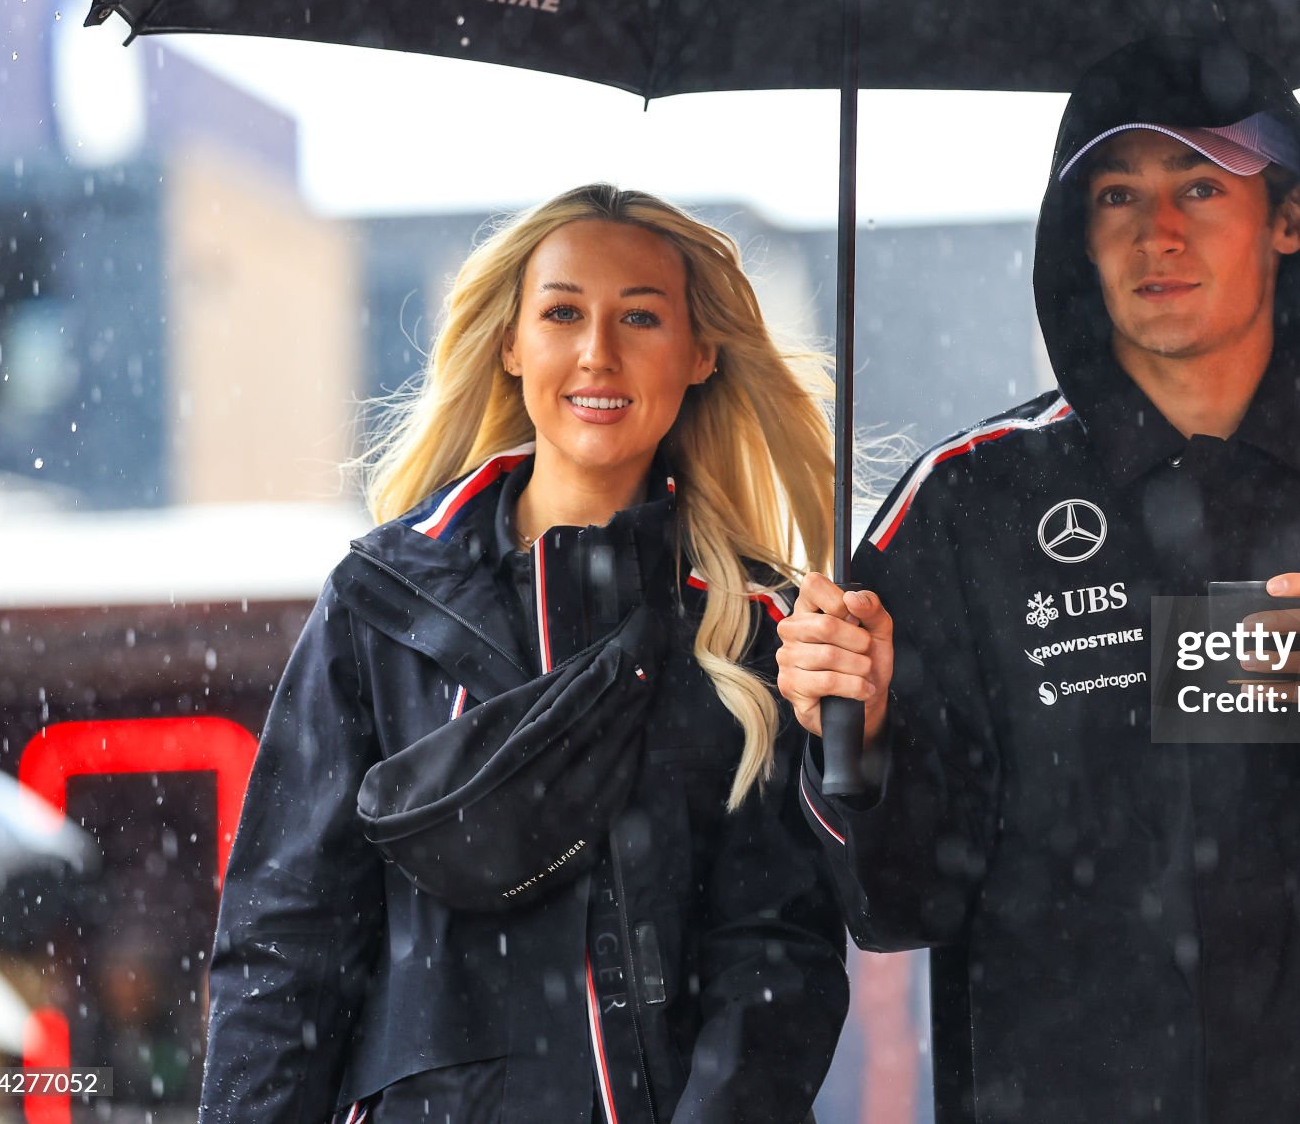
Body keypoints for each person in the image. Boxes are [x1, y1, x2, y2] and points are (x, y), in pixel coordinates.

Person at [775, 36, 1300, 1122]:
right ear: (1072, 235)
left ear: (1290, 218)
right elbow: (894, 904)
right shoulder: (964, 506)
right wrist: (860, 734)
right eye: (1115, 192)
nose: (1155, 231)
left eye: (1198, 184)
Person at [199, 185, 849, 1124]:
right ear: (511, 343)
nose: (598, 351)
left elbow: (777, 952)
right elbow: (284, 944)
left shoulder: (761, 632)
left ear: (700, 352)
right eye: (562, 312)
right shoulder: (382, 601)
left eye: (640, 315)